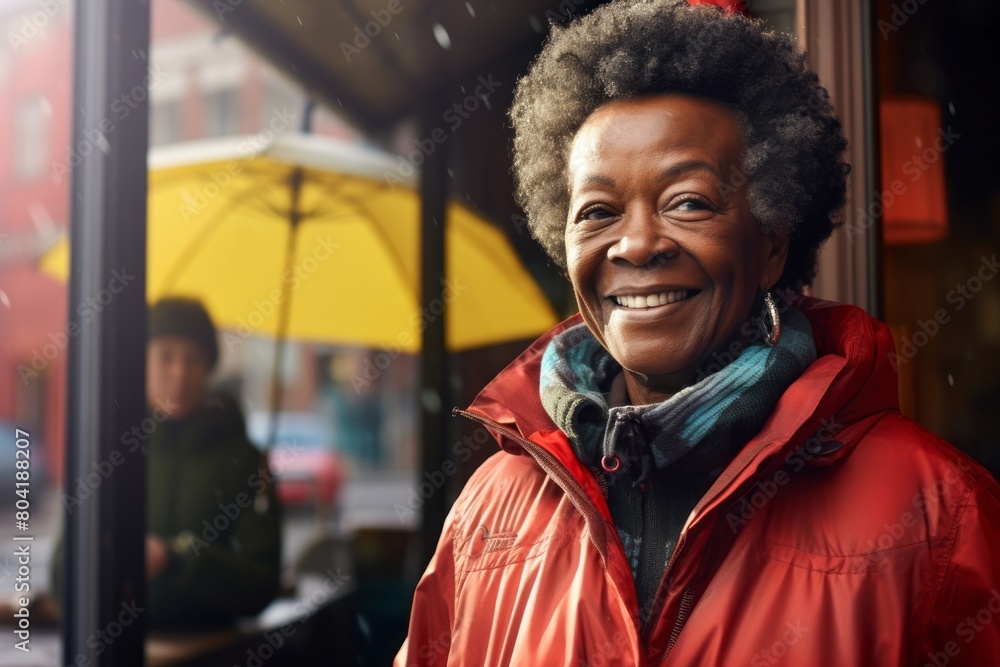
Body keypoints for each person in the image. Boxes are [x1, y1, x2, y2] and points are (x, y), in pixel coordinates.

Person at [394, 1, 1000, 665]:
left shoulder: (938, 514)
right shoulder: (488, 512)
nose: (637, 243)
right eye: (597, 210)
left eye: (688, 201)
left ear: (772, 242)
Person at [52, 297, 282, 628]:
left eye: (194, 359)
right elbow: (63, 575)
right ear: (141, 360)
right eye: (166, 356)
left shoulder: (245, 460)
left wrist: (177, 559)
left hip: (211, 652)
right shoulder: (106, 452)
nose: (179, 372)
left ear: (209, 367)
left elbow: (261, 584)